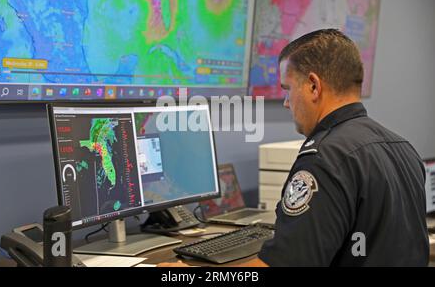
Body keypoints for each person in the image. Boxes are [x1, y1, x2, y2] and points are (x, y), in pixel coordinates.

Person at [160, 29, 429, 267]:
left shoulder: (324, 158)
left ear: (313, 86)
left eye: (287, 89)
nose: (287, 103)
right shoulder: (401, 147)